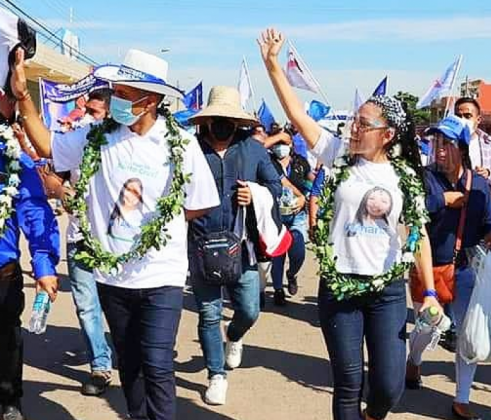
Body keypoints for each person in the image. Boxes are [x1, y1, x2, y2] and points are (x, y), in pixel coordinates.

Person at [13, 48, 220, 420]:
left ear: (151, 100)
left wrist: (162, 226)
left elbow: (201, 202)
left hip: (162, 275)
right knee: (129, 362)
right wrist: (24, 97)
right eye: (117, 91)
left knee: (157, 361)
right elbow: (48, 146)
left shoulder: (182, 145)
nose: (117, 100)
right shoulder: (98, 135)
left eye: (125, 93)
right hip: (112, 276)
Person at [259, 28, 442, 420]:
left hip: (387, 292)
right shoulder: (337, 154)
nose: (354, 128)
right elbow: (297, 114)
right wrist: (273, 65)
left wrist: (428, 291)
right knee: (346, 384)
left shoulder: (406, 177)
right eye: (355, 121)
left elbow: (419, 234)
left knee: (389, 387)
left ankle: (374, 415)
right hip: (339, 287)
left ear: (388, 135)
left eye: (364, 124)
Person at [187, 86, 281, 405]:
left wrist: (254, 193)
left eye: (230, 119)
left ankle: (235, 336)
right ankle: (216, 374)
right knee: (208, 314)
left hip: (243, 248)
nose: (223, 124)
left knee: (249, 310)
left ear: (239, 122)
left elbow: (275, 186)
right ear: (207, 120)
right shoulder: (191, 148)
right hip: (201, 246)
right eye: (217, 118)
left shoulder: (252, 150)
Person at [405, 115, 491, 420]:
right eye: (436, 142)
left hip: (465, 269)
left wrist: (490, 231)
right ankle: (414, 361)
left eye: (447, 142)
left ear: (462, 147)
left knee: (467, 336)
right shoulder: (423, 177)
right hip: (427, 267)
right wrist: (443, 199)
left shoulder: (478, 182)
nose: (439, 148)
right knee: (426, 326)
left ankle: (462, 398)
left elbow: (487, 217)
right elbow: (411, 209)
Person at [38, 88, 117, 397]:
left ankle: (132, 355)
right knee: (86, 305)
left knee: (120, 306)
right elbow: (53, 178)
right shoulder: (77, 140)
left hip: (118, 242)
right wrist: (59, 190)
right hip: (80, 237)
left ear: (110, 114)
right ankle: (101, 365)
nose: (86, 117)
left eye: (94, 112)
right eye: (87, 111)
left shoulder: (122, 145)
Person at [0, 80, 60, 420]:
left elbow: (34, 210)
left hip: (2, 271)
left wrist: (43, 264)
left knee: (6, 340)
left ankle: (9, 399)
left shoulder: (13, 154)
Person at [268, 131, 315, 306]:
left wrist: (307, 196)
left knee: (298, 247)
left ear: (291, 145)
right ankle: (278, 290)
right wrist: (276, 137)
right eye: (277, 143)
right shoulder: (268, 162)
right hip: (276, 215)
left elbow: (313, 181)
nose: (281, 147)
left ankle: (292, 274)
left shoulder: (300, 163)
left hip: (298, 214)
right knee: (278, 253)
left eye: (284, 143)